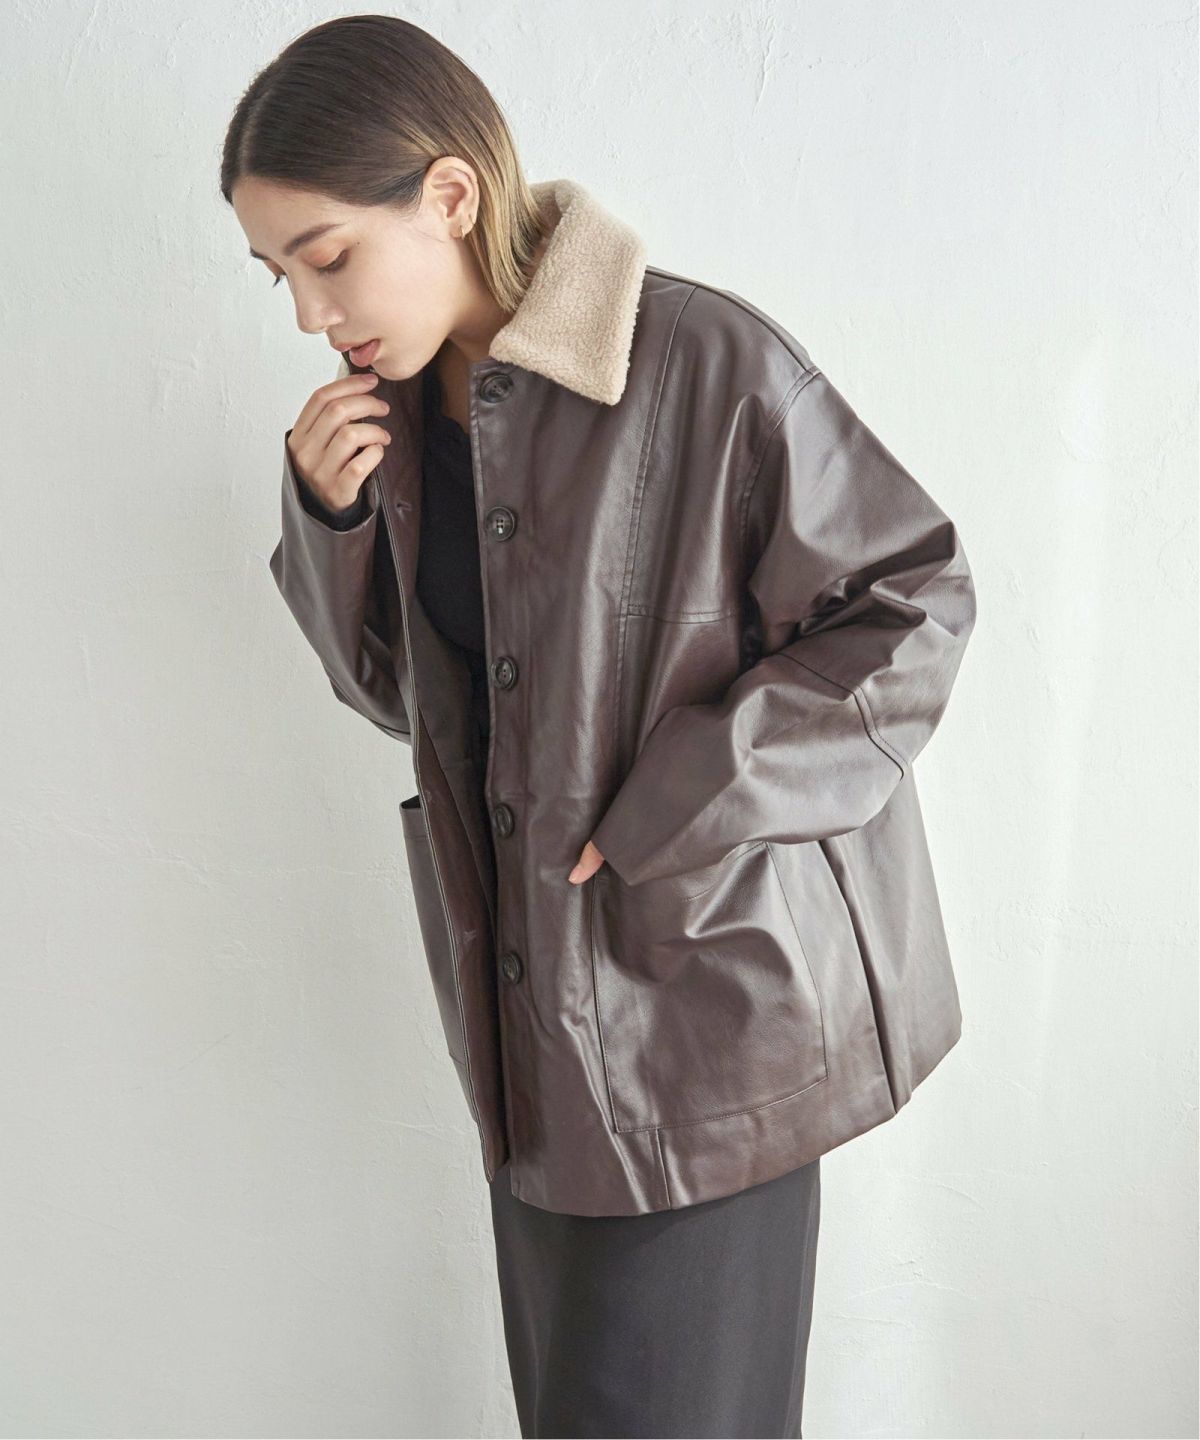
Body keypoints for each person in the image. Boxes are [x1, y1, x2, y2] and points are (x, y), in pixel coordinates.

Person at [222, 15, 976, 1438]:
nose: (312, 316)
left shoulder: (698, 361)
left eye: (328, 258)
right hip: (531, 1034)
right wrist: (329, 522)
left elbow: (912, 602)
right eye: (281, 277)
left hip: (705, 1021)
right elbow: (402, 700)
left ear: (450, 195)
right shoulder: (396, 426)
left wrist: (674, 798)